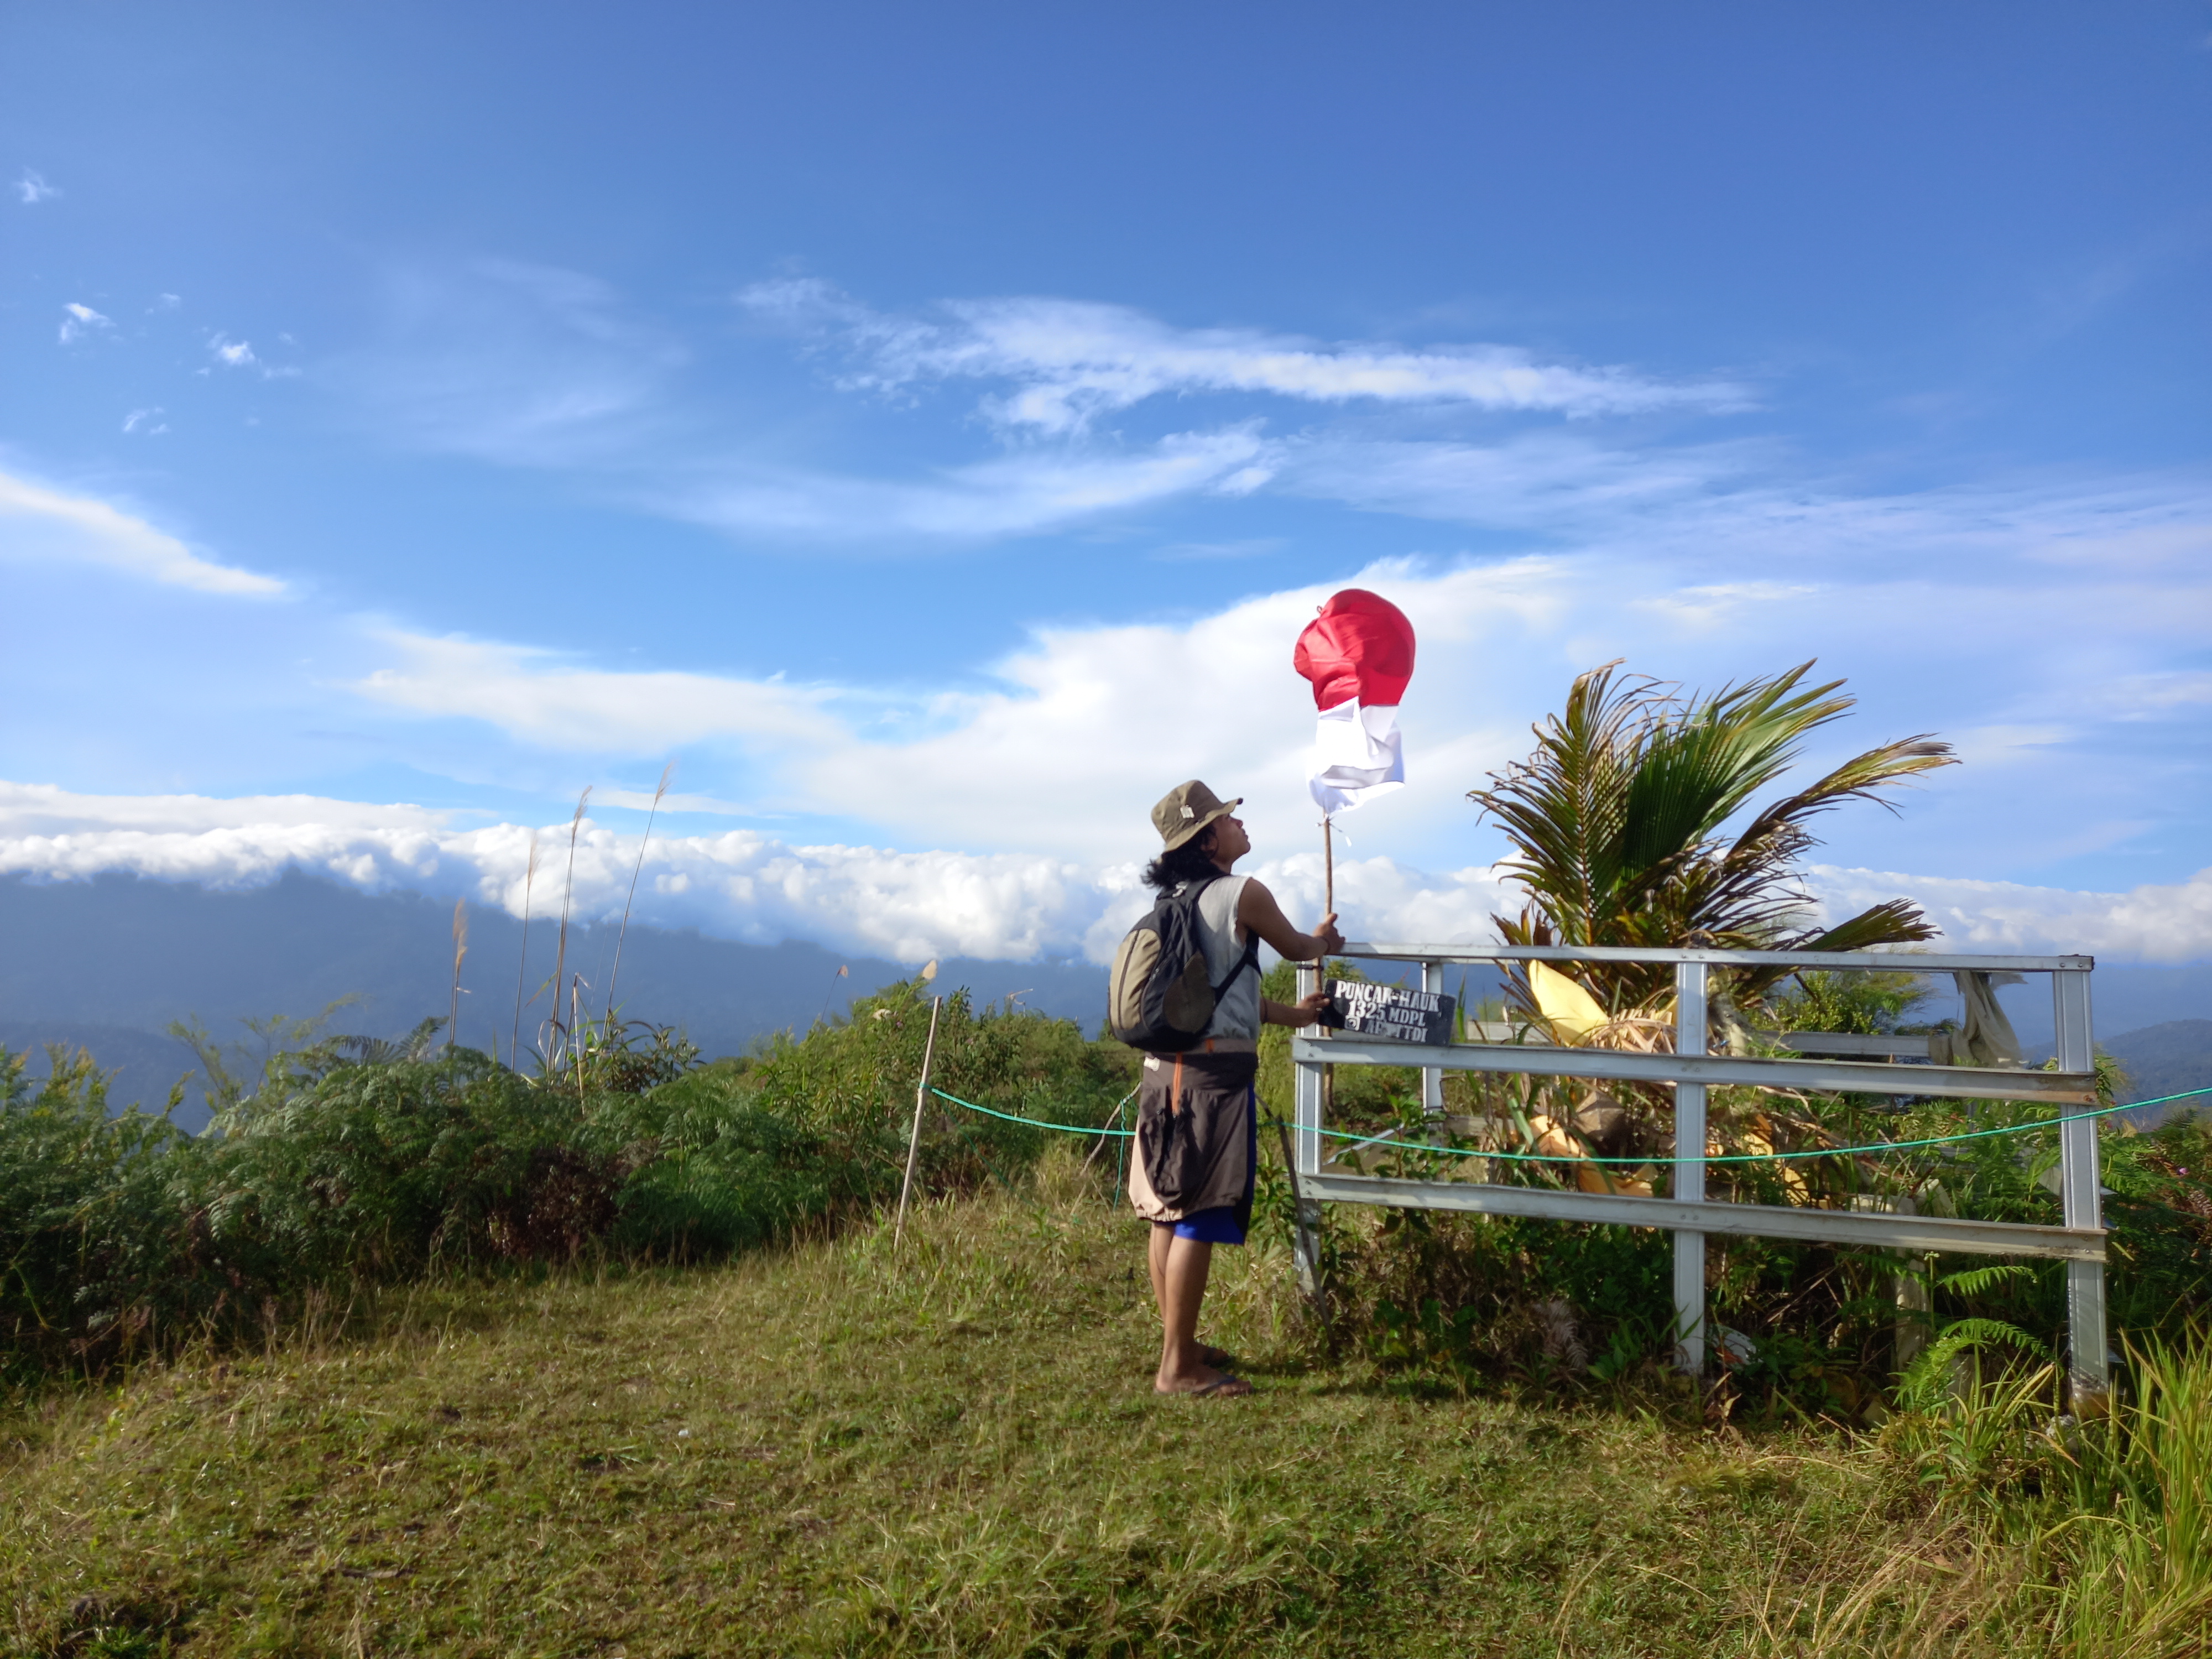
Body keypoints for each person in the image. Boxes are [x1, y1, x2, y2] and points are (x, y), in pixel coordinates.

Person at [1130, 780, 1343, 1398]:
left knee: (1166, 1211)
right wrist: (1325, 940)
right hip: (1212, 1081)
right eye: (1229, 819)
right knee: (1200, 1211)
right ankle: (1178, 1369)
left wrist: (1295, 1016)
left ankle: (1179, 1342)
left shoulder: (1172, 900)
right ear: (1207, 838)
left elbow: (1220, 996)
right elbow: (1301, 948)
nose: (1240, 825)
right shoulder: (1242, 893)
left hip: (1161, 1072)